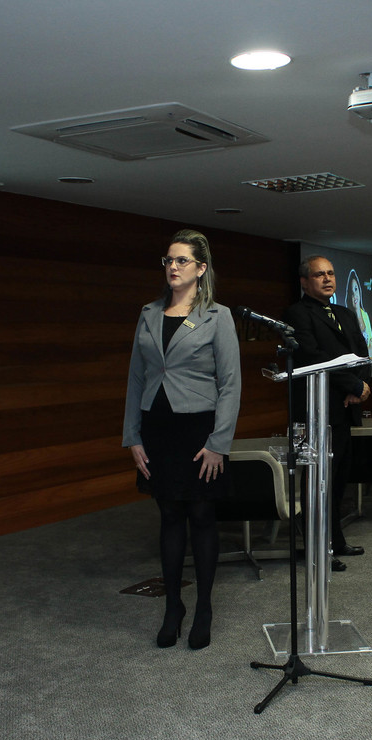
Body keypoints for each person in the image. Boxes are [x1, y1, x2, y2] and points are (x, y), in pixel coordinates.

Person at [122, 229, 241, 650]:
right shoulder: (149, 312)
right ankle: (174, 606)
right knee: (169, 517)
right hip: (157, 429)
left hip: (200, 431)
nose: (173, 267)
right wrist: (132, 437)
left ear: (200, 268)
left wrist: (219, 443)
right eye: (168, 260)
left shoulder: (217, 316)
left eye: (181, 261)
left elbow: (230, 385)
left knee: (202, 519)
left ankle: (204, 607)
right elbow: (136, 379)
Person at [283, 255, 370, 571]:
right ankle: (316, 548)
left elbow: (361, 352)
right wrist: (352, 385)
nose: (328, 278)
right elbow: (311, 355)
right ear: (305, 282)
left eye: (331, 273)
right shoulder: (296, 313)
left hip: (344, 408)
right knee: (316, 481)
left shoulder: (346, 313)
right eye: (320, 275)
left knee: (339, 478)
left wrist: (357, 385)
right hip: (316, 409)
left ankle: (336, 540)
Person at [345, 269, 372, 359]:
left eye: (356, 289)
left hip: (367, 363)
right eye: (351, 292)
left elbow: (371, 342)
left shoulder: (365, 315)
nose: (355, 295)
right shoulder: (347, 317)